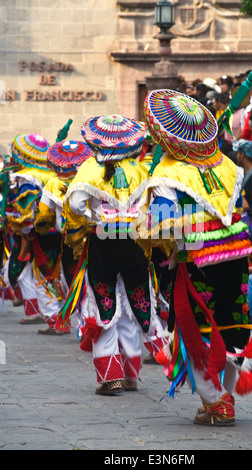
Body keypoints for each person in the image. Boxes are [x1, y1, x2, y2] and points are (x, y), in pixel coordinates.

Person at [141, 89, 252, 427]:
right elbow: (235, 209)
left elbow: (163, 227)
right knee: (227, 324)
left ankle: (218, 401)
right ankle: (218, 400)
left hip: (198, 259)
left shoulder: (167, 173)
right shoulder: (227, 165)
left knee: (193, 330)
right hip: (236, 255)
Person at [62, 114, 167, 395]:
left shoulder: (89, 167)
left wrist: (93, 217)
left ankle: (111, 377)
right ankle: (131, 374)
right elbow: (156, 204)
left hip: (103, 242)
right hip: (135, 242)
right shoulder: (141, 169)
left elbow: (74, 203)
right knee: (136, 302)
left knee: (103, 305)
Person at [34, 139, 94, 334]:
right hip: (95, 237)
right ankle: (93, 325)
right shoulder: (90, 177)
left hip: (69, 240)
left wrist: (43, 227)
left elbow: (43, 215)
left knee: (73, 282)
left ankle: (83, 327)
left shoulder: (53, 183)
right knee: (94, 282)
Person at [3, 133, 62, 325]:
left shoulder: (26, 177)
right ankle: (44, 312)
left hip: (37, 233)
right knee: (48, 273)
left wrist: (24, 232)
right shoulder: (50, 174)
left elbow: (27, 210)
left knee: (40, 274)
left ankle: (53, 317)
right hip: (55, 230)